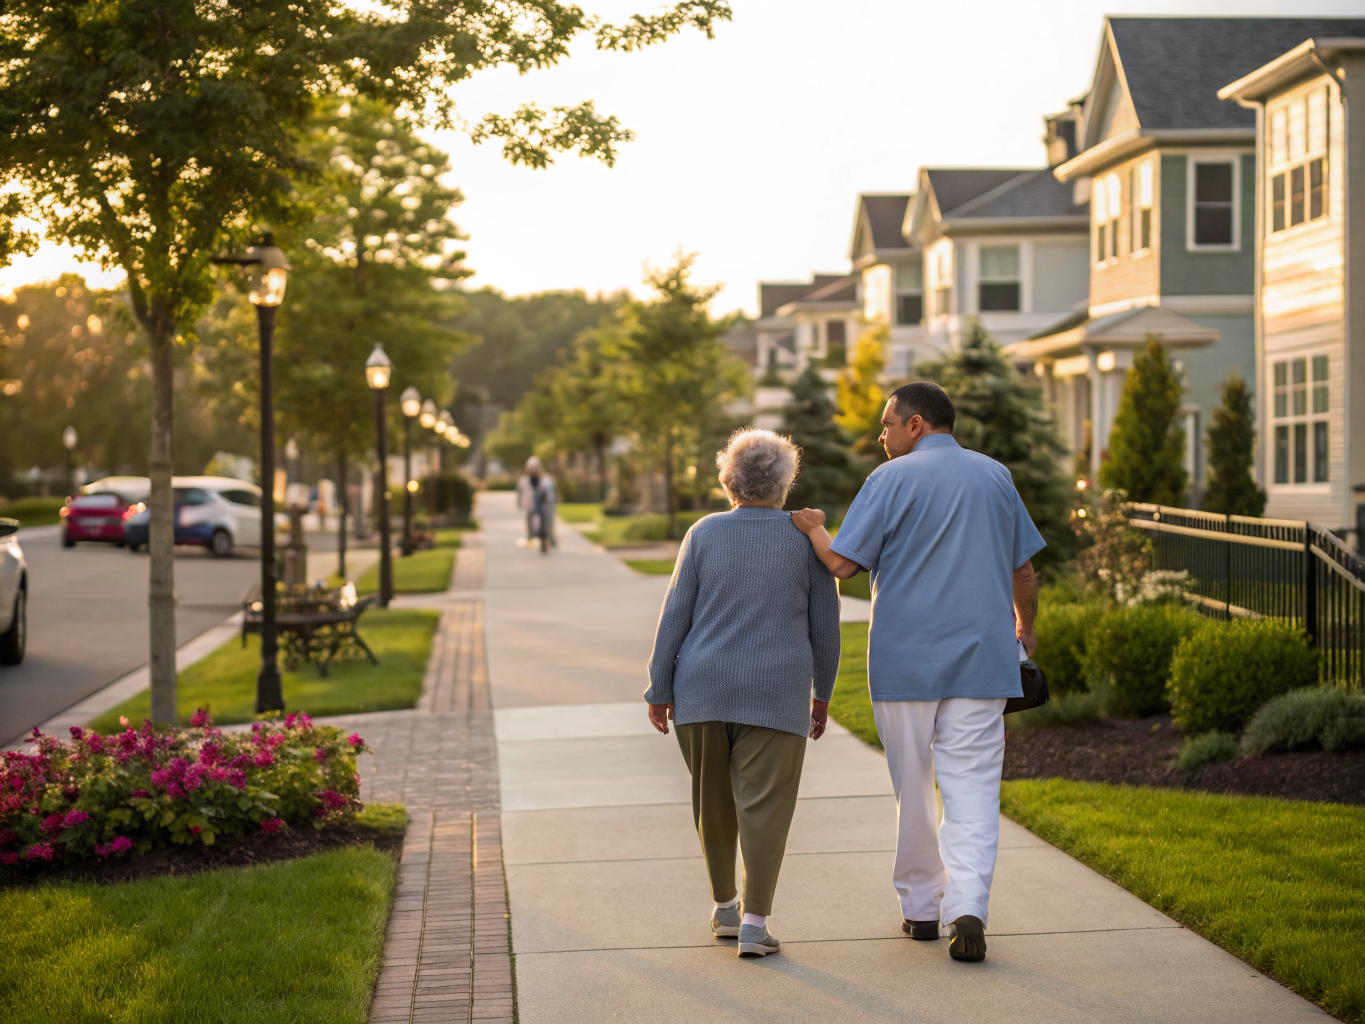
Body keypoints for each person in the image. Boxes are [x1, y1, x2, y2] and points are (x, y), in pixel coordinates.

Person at [792, 381, 1043, 964]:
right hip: (983, 663)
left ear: (917, 424)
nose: (880, 435)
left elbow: (842, 565)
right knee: (974, 790)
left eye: (886, 424)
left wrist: (813, 528)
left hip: (905, 663)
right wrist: (1024, 632)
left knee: (914, 789)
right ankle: (969, 908)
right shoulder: (995, 476)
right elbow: (1024, 571)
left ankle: (922, 910)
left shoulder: (890, 480)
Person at [645, 429, 840, 959]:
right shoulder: (806, 538)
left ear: (729, 481)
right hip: (777, 692)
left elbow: (674, 616)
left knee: (712, 804)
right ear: (783, 483)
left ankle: (725, 907)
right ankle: (755, 924)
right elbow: (826, 624)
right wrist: (824, 693)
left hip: (701, 690)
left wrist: (658, 687)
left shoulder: (704, 533)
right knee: (765, 807)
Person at [515, 456, 557, 553]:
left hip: (544, 507)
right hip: (531, 507)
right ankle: (531, 538)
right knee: (531, 524)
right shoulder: (524, 481)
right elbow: (520, 494)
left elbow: (551, 495)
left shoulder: (547, 480)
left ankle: (547, 541)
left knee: (546, 525)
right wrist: (520, 505)